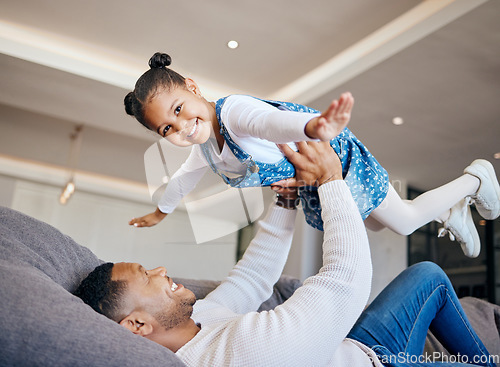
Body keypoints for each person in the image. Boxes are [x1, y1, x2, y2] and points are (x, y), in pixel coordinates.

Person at [75, 141, 497, 367]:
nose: (162, 269)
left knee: (428, 276)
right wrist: (331, 181)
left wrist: (287, 203)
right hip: (379, 364)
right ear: (136, 324)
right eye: (148, 276)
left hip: (358, 344)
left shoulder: (198, 320)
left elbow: (251, 279)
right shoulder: (239, 357)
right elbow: (344, 283)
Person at [124, 52, 500, 258]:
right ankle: (450, 211)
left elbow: (270, 122)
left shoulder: (234, 113)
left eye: (178, 110)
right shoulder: (206, 147)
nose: (181, 126)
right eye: (167, 130)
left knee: (402, 221)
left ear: (192, 86)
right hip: (314, 180)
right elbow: (184, 178)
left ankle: (476, 178)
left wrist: (312, 128)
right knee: (374, 222)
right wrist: (161, 212)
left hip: (330, 156)